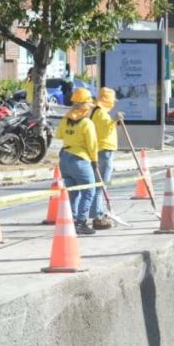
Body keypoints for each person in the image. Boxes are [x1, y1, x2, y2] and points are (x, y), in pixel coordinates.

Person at [58, 87, 99, 235]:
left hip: (64, 158)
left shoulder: (65, 120)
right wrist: (94, 161)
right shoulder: (86, 123)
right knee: (89, 190)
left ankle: (71, 220)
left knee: (72, 192)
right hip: (80, 160)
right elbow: (92, 144)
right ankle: (81, 222)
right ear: (85, 107)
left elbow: (59, 135)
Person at [89, 87, 118, 230]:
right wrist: (115, 121)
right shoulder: (100, 113)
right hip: (104, 150)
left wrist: (114, 122)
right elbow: (105, 130)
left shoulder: (98, 112)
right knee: (100, 185)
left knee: (99, 184)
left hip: (102, 149)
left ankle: (98, 214)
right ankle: (97, 217)